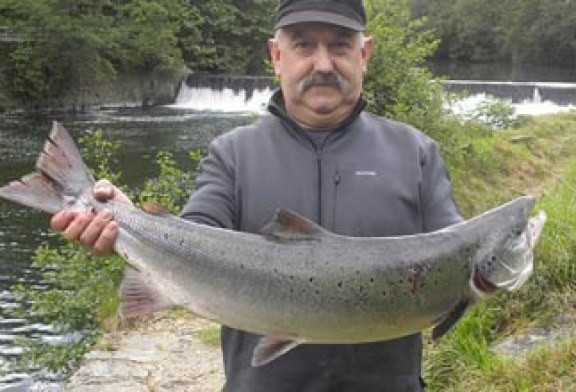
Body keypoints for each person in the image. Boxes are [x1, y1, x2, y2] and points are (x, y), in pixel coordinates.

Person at [51, 1, 534, 390]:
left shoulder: (416, 152)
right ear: (276, 55)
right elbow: (198, 235)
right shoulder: (232, 153)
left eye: (340, 46)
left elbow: (454, 248)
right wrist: (129, 222)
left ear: (364, 54)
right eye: (304, 45)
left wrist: (502, 266)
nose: (323, 63)